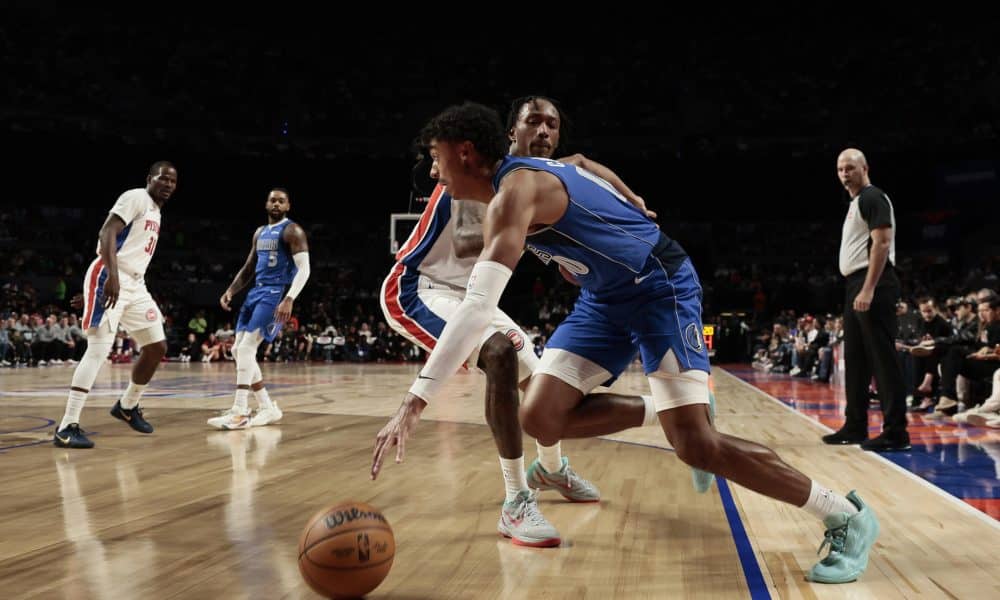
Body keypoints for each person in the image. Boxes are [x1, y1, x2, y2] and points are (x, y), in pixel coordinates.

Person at [371, 102, 879, 583]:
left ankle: (844, 515)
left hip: (659, 287)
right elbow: (585, 165)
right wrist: (612, 216)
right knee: (538, 416)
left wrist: (414, 402)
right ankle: (663, 410)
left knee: (696, 446)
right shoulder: (521, 182)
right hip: (604, 299)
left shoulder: (513, 194)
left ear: (464, 152)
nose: (433, 172)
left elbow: (477, 309)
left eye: (436, 158)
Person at [379, 96, 659, 548]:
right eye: (534, 123)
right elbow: (481, 239)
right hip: (421, 287)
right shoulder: (475, 180)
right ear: (511, 135)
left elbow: (585, 163)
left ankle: (551, 469)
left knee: (541, 380)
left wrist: (629, 199)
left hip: (472, 292)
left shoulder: (537, 178)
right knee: (499, 352)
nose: (544, 133)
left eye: (551, 125)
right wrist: (535, 229)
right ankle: (515, 500)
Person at [54, 161, 177, 448]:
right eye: (163, 179)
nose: (168, 185)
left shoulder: (156, 212)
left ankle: (127, 405)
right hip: (113, 276)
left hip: (135, 285)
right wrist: (109, 277)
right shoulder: (136, 197)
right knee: (98, 351)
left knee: (157, 346)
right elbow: (106, 233)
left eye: (173, 181)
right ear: (150, 179)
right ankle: (66, 426)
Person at [823, 149, 910, 451]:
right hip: (856, 283)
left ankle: (896, 432)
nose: (844, 173)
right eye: (840, 169)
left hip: (874, 281)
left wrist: (869, 288)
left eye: (850, 168)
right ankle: (855, 425)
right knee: (857, 359)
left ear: (864, 168)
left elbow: (882, 242)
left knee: (882, 359)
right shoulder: (856, 202)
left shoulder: (873, 197)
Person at [209, 188, 310, 430]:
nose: (276, 203)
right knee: (236, 350)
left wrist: (290, 298)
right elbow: (249, 266)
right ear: (266, 204)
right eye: (272, 200)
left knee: (246, 349)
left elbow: (304, 269)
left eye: (281, 201)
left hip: (275, 294)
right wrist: (231, 290)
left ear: (288, 206)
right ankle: (266, 407)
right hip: (256, 292)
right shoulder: (260, 232)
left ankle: (240, 411)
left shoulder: (292, 231)